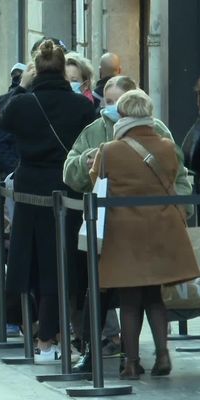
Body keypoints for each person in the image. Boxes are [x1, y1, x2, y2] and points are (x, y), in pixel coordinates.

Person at [63, 75, 193, 372]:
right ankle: (163, 356)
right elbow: (176, 179)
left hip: (123, 235)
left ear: (122, 114)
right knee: (155, 298)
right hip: (160, 231)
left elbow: (96, 183)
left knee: (130, 301)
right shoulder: (166, 145)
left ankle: (131, 363)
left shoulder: (109, 150)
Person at [0, 40, 96, 364]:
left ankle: (41, 336)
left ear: (36, 69)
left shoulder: (23, 103)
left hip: (29, 189)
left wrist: (21, 87)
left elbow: (3, 123)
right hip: (67, 188)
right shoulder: (81, 106)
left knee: (28, 261)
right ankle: (50, 336)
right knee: (62, 264)